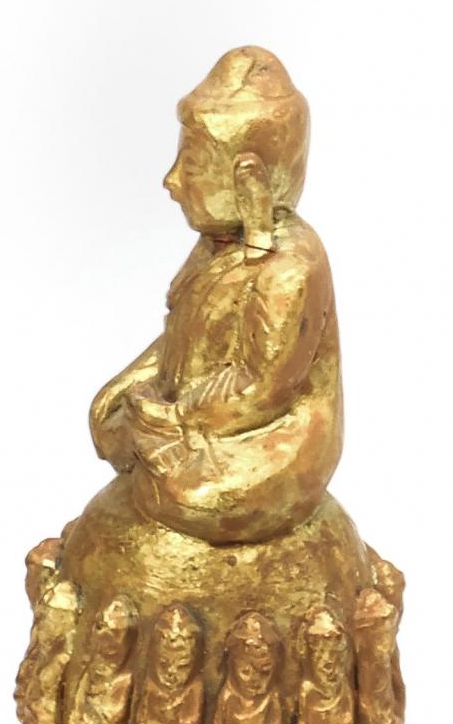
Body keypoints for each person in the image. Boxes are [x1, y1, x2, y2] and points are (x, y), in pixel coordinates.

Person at [86, 48, 339, 547]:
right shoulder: (213, 247)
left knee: (197, 496)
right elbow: (178, 337)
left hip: (269, 436)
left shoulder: (290, 268)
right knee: (108, 419)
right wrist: (129, 386)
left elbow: (261, 391)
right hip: (192, 417)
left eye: (193, 165)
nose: (172, 181)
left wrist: (176, 416)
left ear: (249, 182)